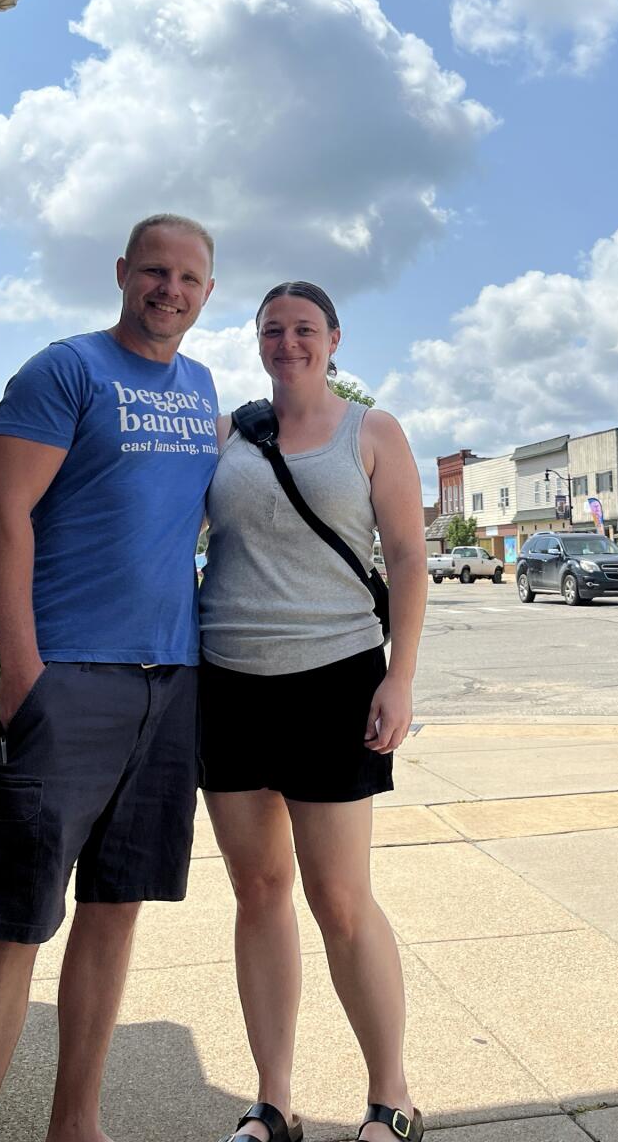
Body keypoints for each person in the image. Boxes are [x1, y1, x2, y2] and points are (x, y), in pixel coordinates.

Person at [0, 213, 220, 1142]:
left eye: (187, 277)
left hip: (169, 683)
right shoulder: (64, 370)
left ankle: (77, 1123)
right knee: (15, 925)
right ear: (121, 273)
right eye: (154, 271)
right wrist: (24, 676)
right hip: (68, 679)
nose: (168, 289)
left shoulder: (203, 388)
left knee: (114, 910)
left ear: (206, 293)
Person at [199, 281, 428, 1142]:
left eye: (303, 329)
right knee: (258, 892)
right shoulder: (229, 434)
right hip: (228, 683)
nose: (287, 342)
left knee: (340, 899)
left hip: (335, 682)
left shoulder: (371, 433)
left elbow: (407, 559)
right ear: (257, 341)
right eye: (272, 330)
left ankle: (391, 1097)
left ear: (333, 338)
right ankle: (274, 1101)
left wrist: (399, 677)